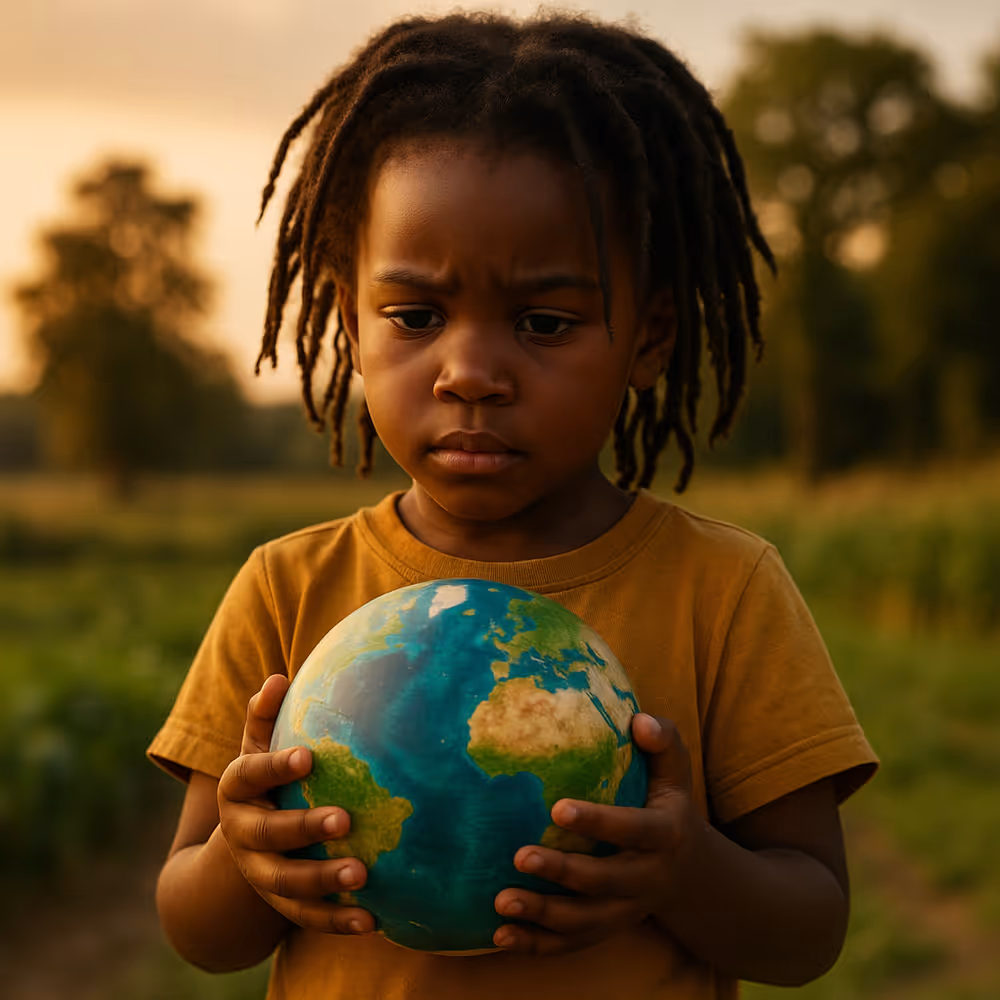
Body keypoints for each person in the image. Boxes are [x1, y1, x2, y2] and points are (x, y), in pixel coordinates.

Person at [149, 10, 878, 999]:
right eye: (414, 316)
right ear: (347, 323)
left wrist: (681, 869)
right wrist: (245, 860)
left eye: (544, 321)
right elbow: (195, 927)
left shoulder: (724, 589)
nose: (472, 372)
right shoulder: (287, 587)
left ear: (649, 336)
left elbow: (807, 930)